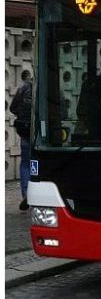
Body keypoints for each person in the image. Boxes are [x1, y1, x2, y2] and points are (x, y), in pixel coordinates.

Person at [10, 71, 32, 211]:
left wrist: (23, 116)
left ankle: (26, 193)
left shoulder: (23, 88)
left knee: (25, 163)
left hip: (25, 129)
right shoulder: (51, 86)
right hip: (45, 133)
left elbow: (12, 108)